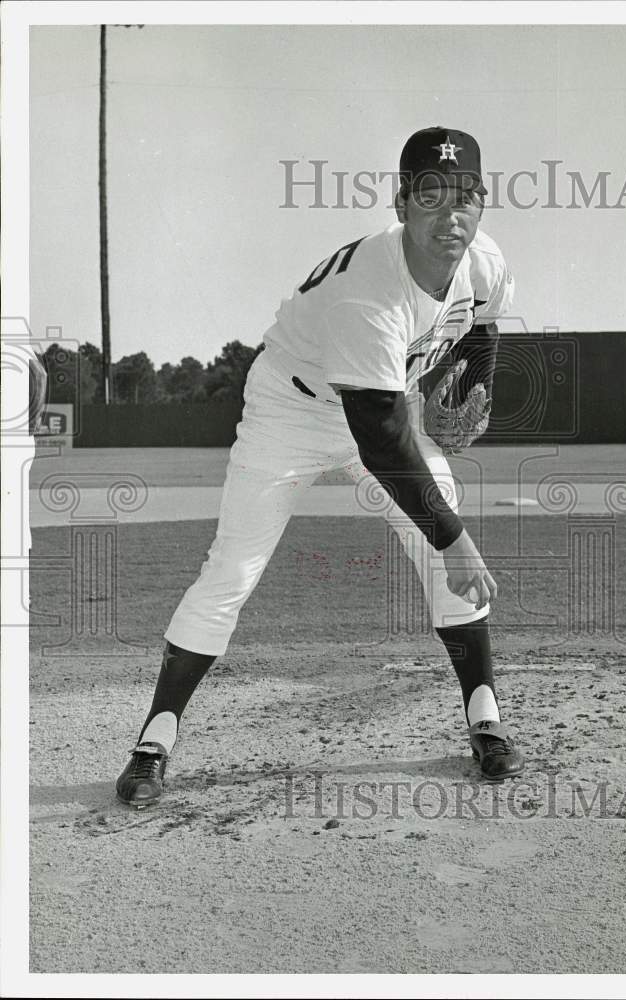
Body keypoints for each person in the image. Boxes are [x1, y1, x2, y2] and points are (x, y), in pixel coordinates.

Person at [116, 126, 524, 807]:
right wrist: (453, 539)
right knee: (234, 567)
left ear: (482, 204)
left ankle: (484, 716)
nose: (450, 214)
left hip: (384, 404)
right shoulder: (370, 292)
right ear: (401, 204)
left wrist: (473, 389)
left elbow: (483, 325)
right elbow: (382, 441)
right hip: (292, 411)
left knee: (443, 553)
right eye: (431, 196)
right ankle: (154, 739)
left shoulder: (483, 260)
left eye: (466, 196)